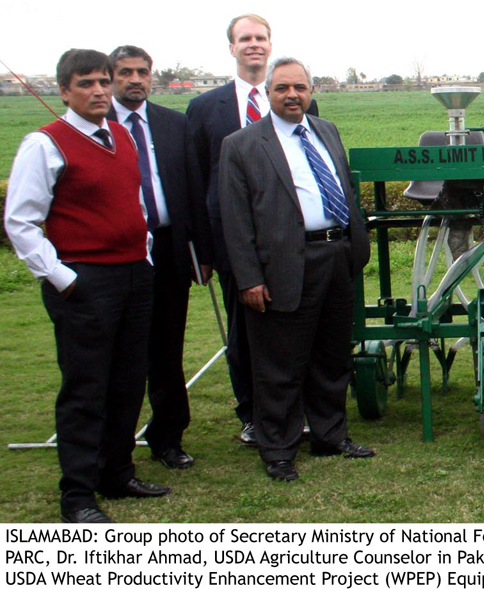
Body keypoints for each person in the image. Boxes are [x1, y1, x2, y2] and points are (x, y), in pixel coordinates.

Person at [4, 49, 170, 523]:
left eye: (103, 82)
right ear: (64, 91)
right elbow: (21, 222)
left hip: (135, 274)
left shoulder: (120, 135)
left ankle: (116, 473)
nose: (98, 91)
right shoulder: (45, 144)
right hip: (85, 281)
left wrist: (145, 255)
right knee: (86, 388)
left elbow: (133, 203)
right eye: (86, 84)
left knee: (126, 382)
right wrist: (63, 279)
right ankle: (77, 494)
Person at [219, 58, 373, 480]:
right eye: (282, 88)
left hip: (336, 255)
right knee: (279, 364)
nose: (292, 95)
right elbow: (235, 220)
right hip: (285, 263)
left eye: (300, 88)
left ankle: (329, 434)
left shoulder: (326, 131)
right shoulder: (242, 145)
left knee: (331, 355)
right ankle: (279, 448)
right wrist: (249, 278)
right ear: (267, 93)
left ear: (310, 92)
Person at [186, 14, 318, 446]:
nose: (254, 45)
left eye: (261, 37)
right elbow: (199, 182)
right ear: (232, 48)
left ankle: (294, 410)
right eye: (245, 39)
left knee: (294, 329)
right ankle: (251, 413)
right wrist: (205, 249)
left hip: (292, 241)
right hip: (234, 241)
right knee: (246, 333)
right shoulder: (205, 108)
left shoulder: (300, 101)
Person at [108, 45, 213, 469]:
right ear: (111, 77)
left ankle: (168, 438)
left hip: (170, 251)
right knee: (123, 352)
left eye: (143, 72)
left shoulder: (175, 123)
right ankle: (113, 441)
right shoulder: (96, 125)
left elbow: (193, 189)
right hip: (118, 254)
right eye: (125, 72)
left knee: (167, 350)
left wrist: (202, 253)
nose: (135, 79)